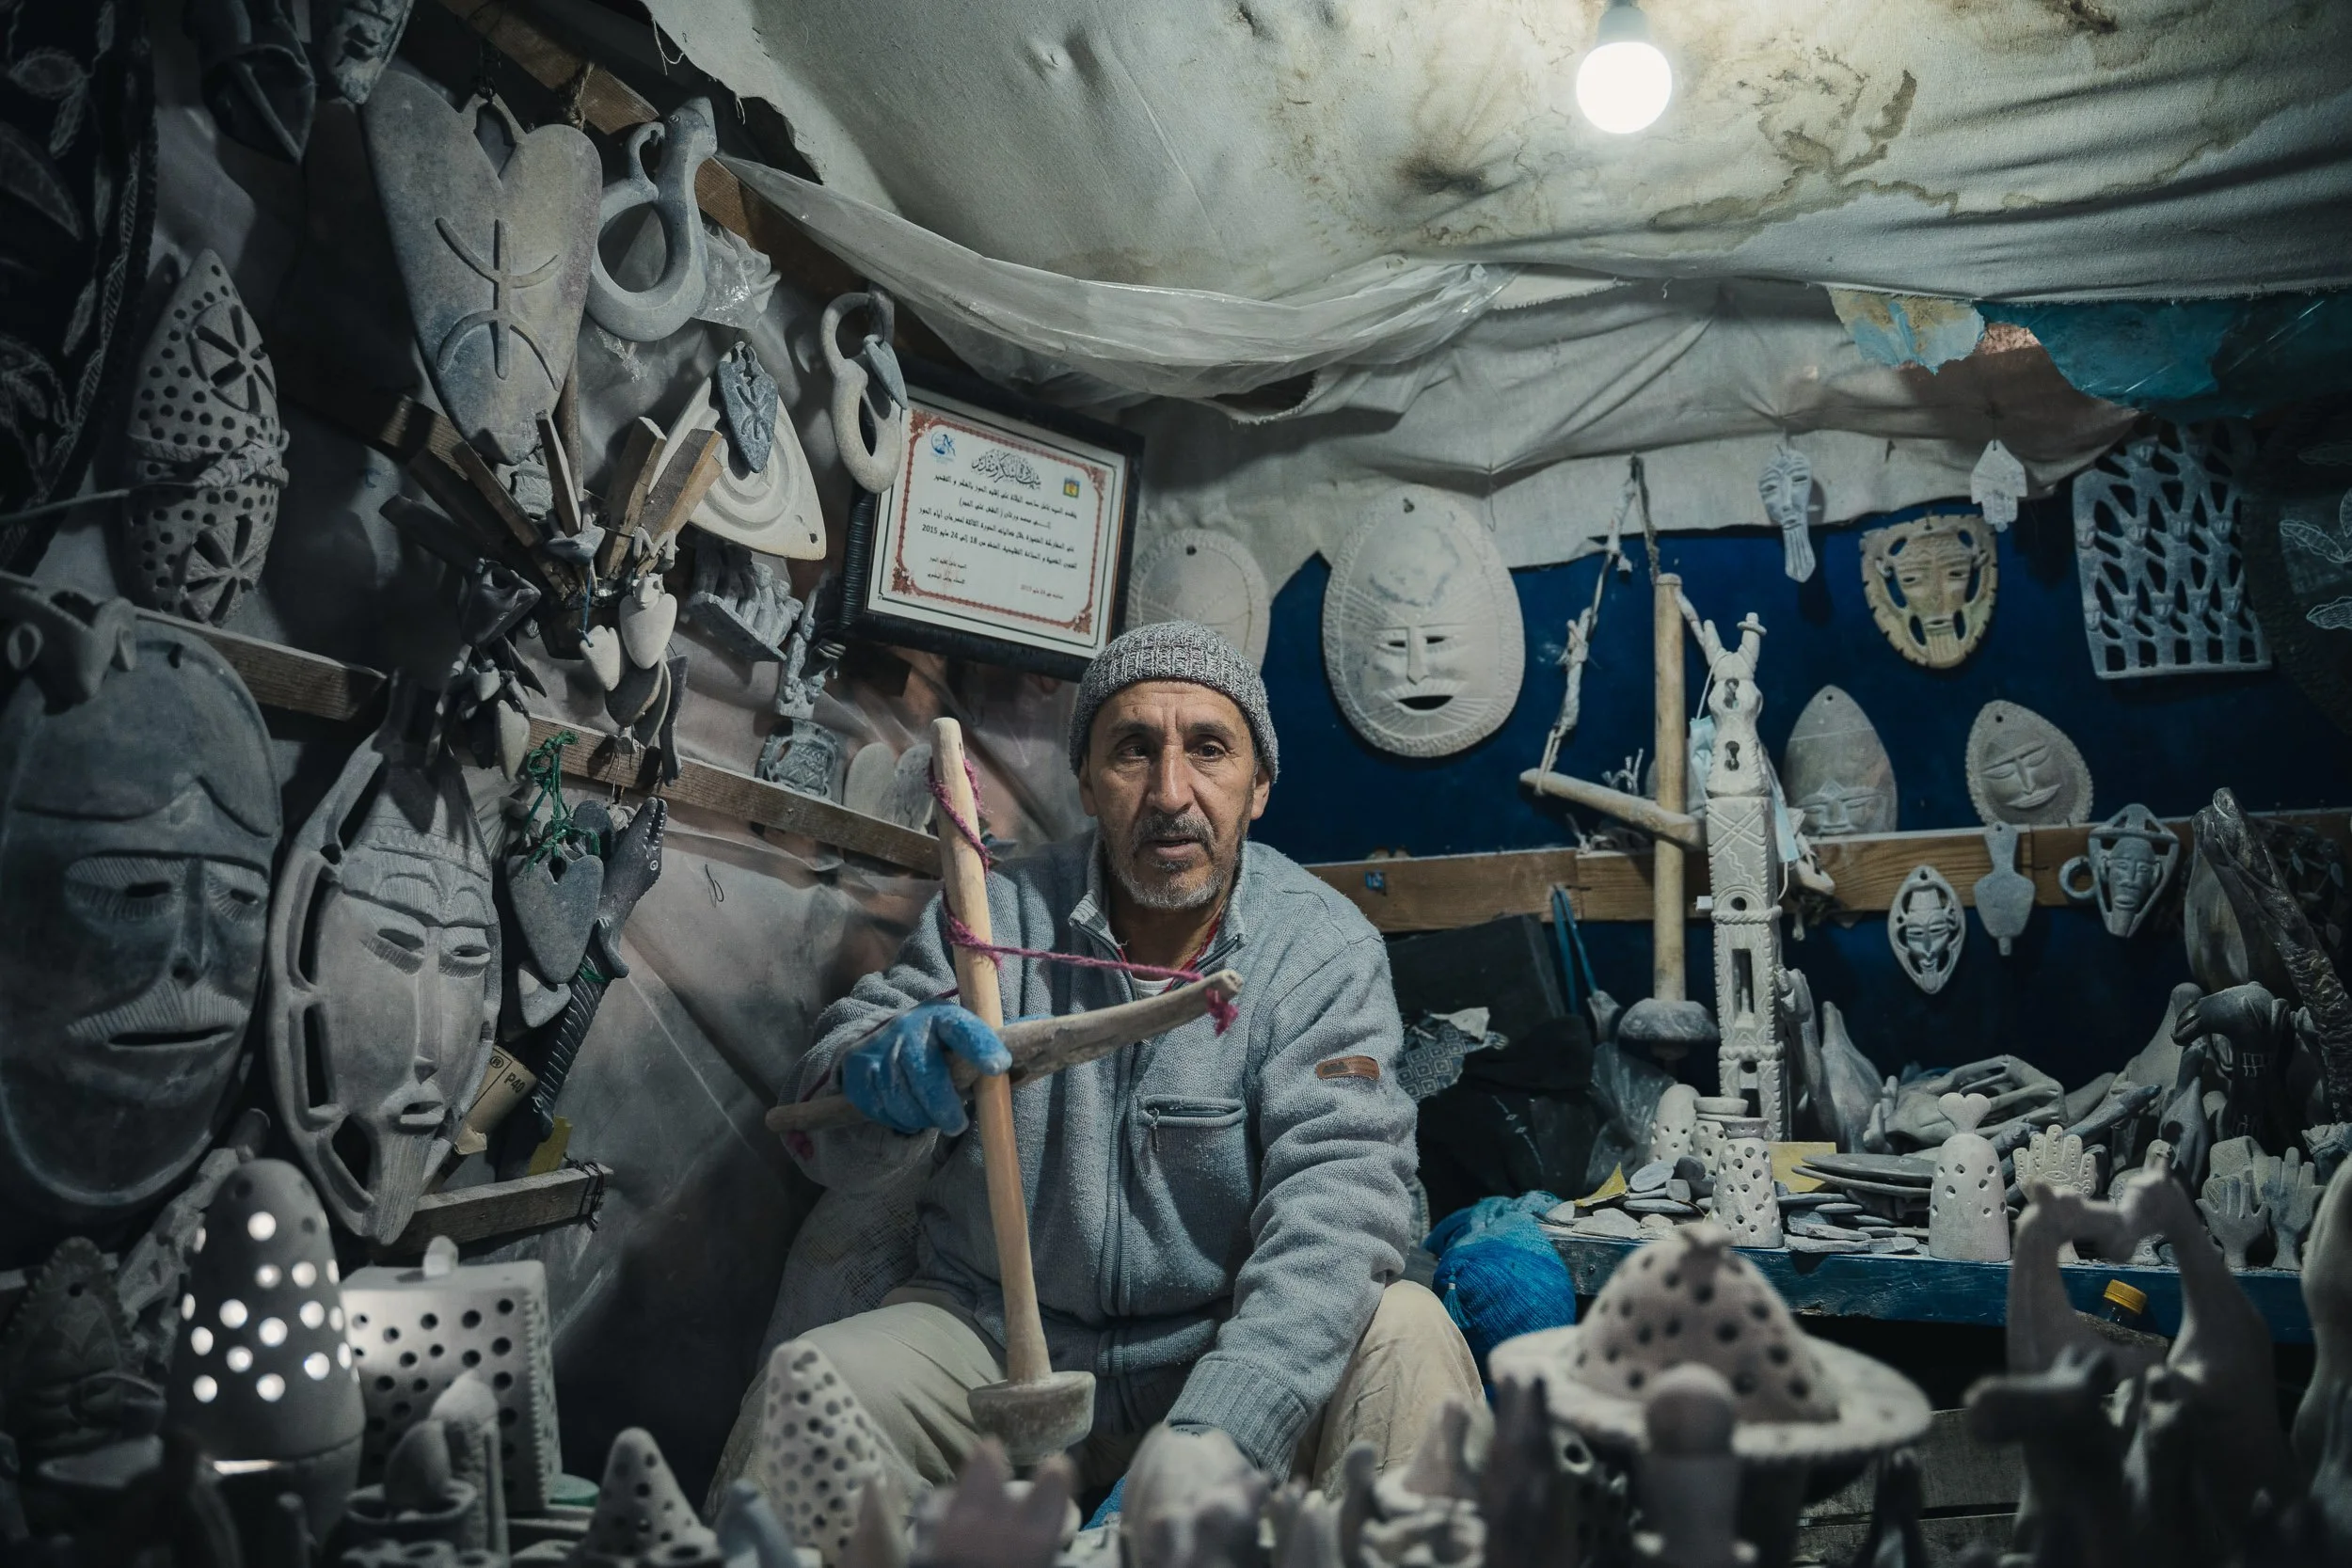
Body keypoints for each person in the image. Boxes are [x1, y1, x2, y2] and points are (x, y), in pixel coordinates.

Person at [743, 620, 1477, 1497]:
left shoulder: (1320, 951)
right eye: (1133, 750)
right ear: (1087, 781)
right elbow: (824, 1119)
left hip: (1217, 1347)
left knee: (1408, 1331)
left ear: (1261, 787)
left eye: (1209, 749)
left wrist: (1224, 1430)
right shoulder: (998, 919)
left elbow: (1341, 1205)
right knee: (815, 1392)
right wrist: (871, 1077)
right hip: (996, 1345)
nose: (1172, 791)